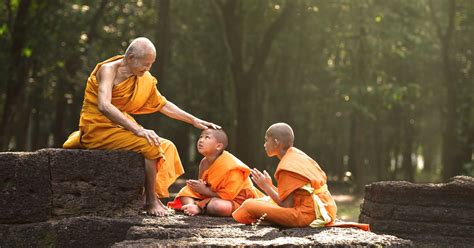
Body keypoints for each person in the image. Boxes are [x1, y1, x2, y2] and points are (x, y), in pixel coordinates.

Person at [63, 37, 220, 217]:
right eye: (145, 64)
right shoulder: (108, 70)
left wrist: (192, 120)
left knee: (167, 146)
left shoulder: (143, 78)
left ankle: (147, 196)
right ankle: (151, 201)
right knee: (150, 144)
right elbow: (104, 106)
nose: (148, 69)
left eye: (151, 64)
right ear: (130, 58)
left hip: (121, 125)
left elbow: (162, 103)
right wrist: (138, 130)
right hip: (98, 127)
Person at [232, 123, 369, 230]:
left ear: (276, 142)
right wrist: (271, 186)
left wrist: (265, 186)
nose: (264, 144)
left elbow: (286, 205)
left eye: (266, 140)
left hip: (309, 215)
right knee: (264, 200)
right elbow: (294, 195)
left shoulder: (286, 166)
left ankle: (270, 219)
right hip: (327, 208)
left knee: (249, 205)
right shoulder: (298, 155)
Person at [167, 129, 262, 216]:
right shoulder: (204, 162)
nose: (201, 140)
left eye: (207, 137)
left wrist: (204, 191)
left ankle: (199, 208)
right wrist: (199, 186)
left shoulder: (231, 166)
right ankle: (190, 206)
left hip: (237, 201)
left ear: (218, 146)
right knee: (186, 190)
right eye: (200, 137)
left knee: (217, 206)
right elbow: (205, 184)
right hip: (213, 194)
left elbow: (228, 195)